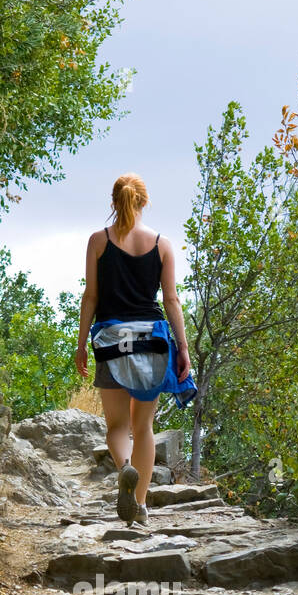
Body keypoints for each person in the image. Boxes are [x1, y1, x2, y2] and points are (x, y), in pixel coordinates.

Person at [75, 173, 192, 526]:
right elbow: (171, 299)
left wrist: (81, 344)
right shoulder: (162, 244)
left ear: (114, 202)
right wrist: (183, 348)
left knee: (116, 425)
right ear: (144, 201)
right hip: (152, 340)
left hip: (110, 339)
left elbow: (90, 297)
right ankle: (139, 506)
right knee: (144, 428)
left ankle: (124, 468)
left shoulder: (98, 241)